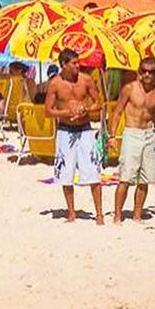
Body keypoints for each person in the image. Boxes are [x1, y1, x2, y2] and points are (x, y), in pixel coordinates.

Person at [45, 49, 104, 223]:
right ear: (63, 64)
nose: (78, 66)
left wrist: (85, 109)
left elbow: (99, 102)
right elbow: (48, 111)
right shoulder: (55, 84)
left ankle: (99, 214)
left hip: (84, 129)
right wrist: (66, 112)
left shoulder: (85, 80)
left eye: (78, 62)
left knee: (93, 172)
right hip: (65, 129)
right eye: (74, 63)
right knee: (66, 174)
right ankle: (71, 212)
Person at [109, 57, 155, 223]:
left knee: (145, 179)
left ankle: (137, 215)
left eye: (150, 71)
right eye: (144, 71)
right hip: (132, 133)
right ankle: (118, 215)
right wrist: (112, 136)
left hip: (149, 134)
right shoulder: (129, 89)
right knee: (125, 178)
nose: (147, 74)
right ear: (139, 71)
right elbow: (118, 112)